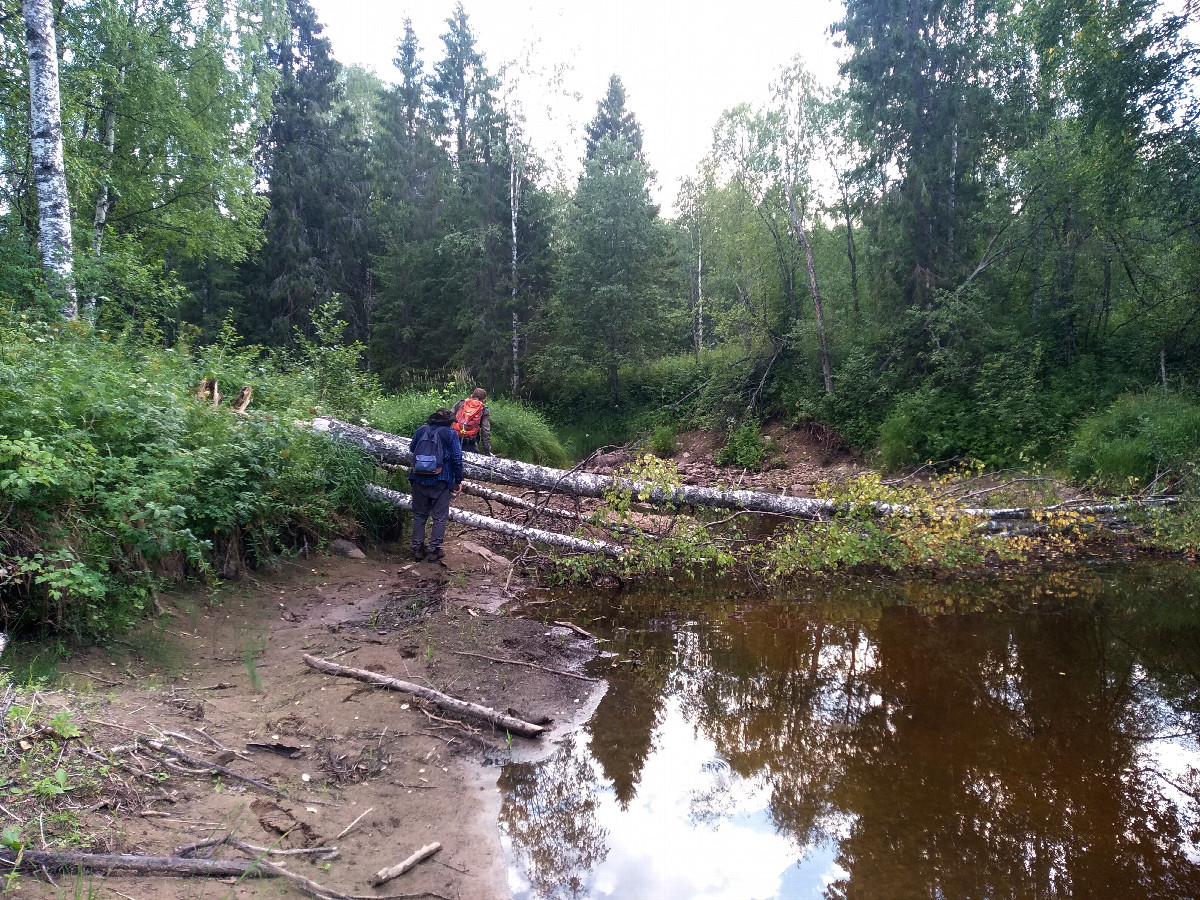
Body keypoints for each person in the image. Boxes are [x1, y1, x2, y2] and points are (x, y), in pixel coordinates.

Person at [408, 408, 463, 562]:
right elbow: (457, 458)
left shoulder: (421, 430)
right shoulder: (450, 434)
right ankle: (433, 551)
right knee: (439, 516)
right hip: (441, 478)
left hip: (417, 477)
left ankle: (417, 549)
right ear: (449, 421)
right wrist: (458, 480)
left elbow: (412, 448)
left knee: (419, 515)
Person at [452, 387, 491, 456]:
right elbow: (485, 431)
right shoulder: (483, 409)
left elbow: (448, 419)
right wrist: (487, 451)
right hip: (470, 442)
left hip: (454, 438)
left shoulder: (460, 404)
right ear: (484, 400)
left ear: (471, 396)